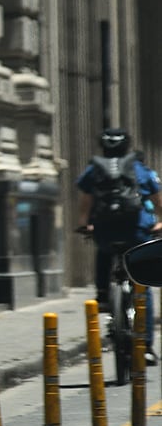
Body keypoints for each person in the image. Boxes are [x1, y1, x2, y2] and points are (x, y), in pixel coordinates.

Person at [77, 126, 162, 364]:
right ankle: (145, 346)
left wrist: (85, 225)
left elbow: (85, 203)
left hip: (105, 232)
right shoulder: (140, 170)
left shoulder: (94, 170)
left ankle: (103, 294)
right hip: (137, 232)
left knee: (104, 251)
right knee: (142, 282)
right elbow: (158, 201)